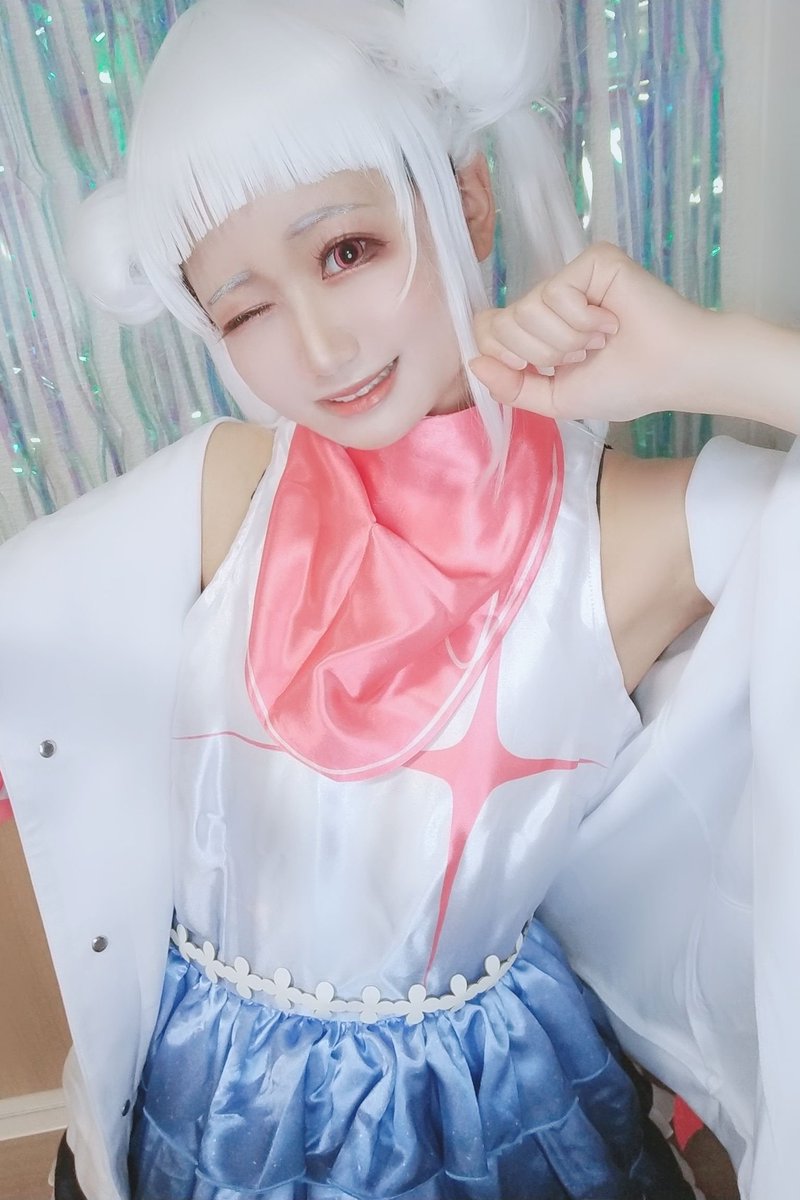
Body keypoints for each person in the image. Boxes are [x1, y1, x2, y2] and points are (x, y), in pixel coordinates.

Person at [0, 0, 796, 1197]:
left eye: (346, 252)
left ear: (464, 200)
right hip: (196, 1106)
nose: (320, 348)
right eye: (246, 309)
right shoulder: (220, 492)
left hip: (483, 1115)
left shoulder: (631, 535)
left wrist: (707, 358)